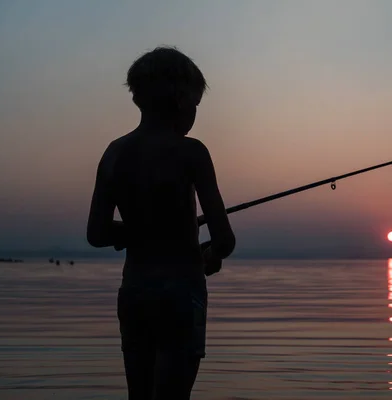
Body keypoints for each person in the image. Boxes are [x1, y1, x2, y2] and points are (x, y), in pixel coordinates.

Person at [86, 46, 236, 399]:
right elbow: (224, 239)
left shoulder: (114, 153)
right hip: (181, 296)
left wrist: (137, 231)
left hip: (135, 294)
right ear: (183, 101)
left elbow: (96, 233)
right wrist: (209, 255)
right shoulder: (192, 152)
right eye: (196, 104)